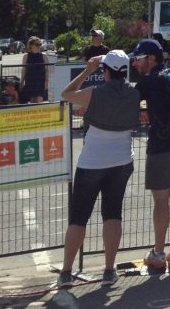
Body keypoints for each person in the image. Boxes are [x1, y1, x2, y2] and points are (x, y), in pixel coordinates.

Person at [57, 50, 140, 288]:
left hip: (92, 162)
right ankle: (109, 270)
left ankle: (66, 272)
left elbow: (66, 93)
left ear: (105, 71)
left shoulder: (94, 93)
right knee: (113, 214)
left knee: (79, 218)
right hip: (122, 160)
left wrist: (87, 71)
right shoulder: (134, 94)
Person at [131, 38, 170, 271]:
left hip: (161, 145)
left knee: (160, 200)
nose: (135, 63)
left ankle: (158, 253)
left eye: (138, 58)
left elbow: (128, 103)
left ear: (151, 58)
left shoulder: (149, 81)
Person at [20, 36, 49, 103]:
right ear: (31, 45)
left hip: (40, 82)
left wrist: (46, 82)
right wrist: (22, 82)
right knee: (32, 101)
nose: (39, 46)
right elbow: (24, 70)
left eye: (40, 44)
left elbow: (47, 70)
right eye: (36, 44)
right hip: (30, 81)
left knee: (39, 100)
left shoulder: (44, 56)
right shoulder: (26, 56)